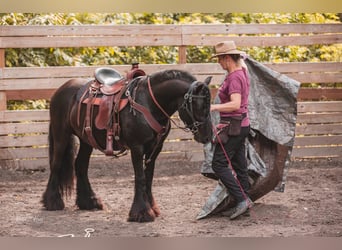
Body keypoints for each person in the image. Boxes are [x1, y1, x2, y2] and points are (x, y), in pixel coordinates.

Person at [210, 41, 253, 220]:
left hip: (233, 127)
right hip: (241, 125)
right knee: (239, 165)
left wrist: (213, 108)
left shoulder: (235, 77)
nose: (219, 63)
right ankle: (244, 202)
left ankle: (242, 200)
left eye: (219, 59)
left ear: (227, 58)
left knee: (218, 164)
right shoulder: (241, 72)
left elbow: (235, 104)